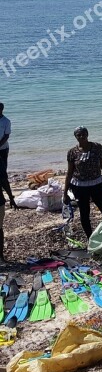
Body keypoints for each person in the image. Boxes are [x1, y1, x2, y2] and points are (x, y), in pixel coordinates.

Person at [63, 127, 102, 239]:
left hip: (96, 184)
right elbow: (69, 172)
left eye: (83, 134)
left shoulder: (97, 147)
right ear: (75, 137)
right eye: (79, 135)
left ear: (87, 134)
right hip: (79, 186)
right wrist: (65, 193)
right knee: (84, 214)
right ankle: (90, 238)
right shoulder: (72, 152)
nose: (81, 137)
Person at [0, 103, 17, 264]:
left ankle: (1, 256)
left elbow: (6, 136)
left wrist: (11, 198)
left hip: (2, 148)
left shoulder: (6, 121)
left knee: (2, 172)